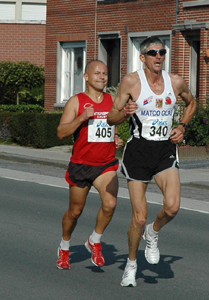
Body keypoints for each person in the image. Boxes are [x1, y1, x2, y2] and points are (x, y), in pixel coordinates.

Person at [107, 36, 197, 287]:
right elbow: (111, 118)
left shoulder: (175, 81)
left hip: (165, 150)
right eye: (153, 52)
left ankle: (153, 231)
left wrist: (182, 126)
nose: (159, 56)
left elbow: (192, 103)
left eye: (162, 52)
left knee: (172, 207)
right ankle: (132, 264)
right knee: (138, 217)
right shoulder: (131, 81)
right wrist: (124, 113)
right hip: (138, 152)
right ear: (143, 57)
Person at [56, 60, 123, 270]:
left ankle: (95, 240)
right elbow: (61, 133)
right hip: (81, 164)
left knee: (110, 204)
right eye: (97, 73)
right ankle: (64, 246)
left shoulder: (112, 100)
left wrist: (116, 139)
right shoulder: (76, 102)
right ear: (86, 77)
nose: (102, 77)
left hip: (105, 164)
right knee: (75, 212)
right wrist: (82, 118)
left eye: (104, 73)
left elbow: (111, 127)